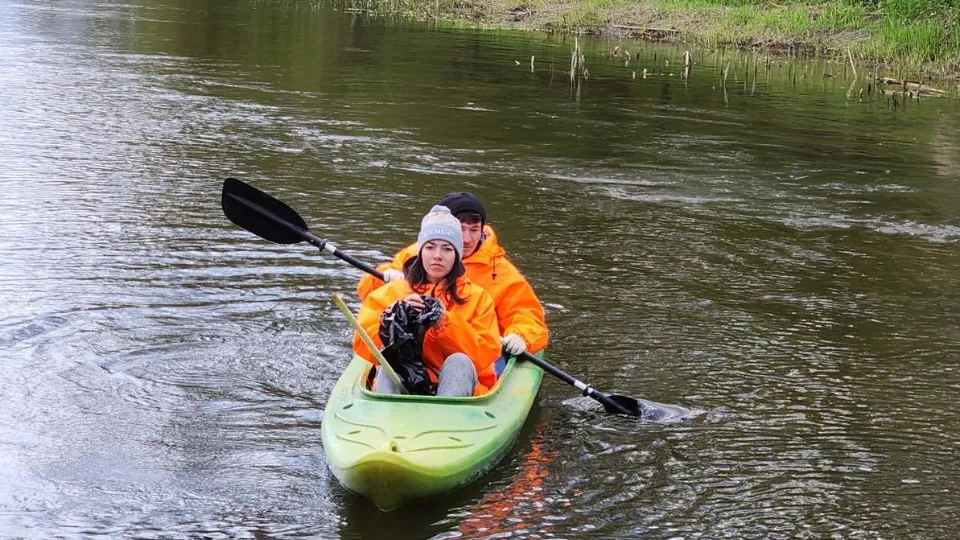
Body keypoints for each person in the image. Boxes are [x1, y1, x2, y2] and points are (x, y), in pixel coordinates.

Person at [357, 192, 548, 365]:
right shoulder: (415, 256)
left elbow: (526, 314)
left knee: (463, 365)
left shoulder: (501, 274)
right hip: (414, 348)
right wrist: (380, 278)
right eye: (461, 229)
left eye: (474, 230)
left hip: (473, 349)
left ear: (482, 229)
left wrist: (521, 336)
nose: (467, 239)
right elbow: (369, 298)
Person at [353, 205, 501, 396]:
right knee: (390, 355)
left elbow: (485, 355)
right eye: (430, 247)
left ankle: (444, 418)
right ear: (420, 251)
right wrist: (394, 318)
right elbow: (362, 348)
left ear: (457, 256)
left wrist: (444, 323)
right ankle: (385, 415)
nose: (437, 256)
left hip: (457, 389)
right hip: (401, 385)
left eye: (447, 249)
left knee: (459, 361)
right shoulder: (390, 293)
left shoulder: (478, 298)